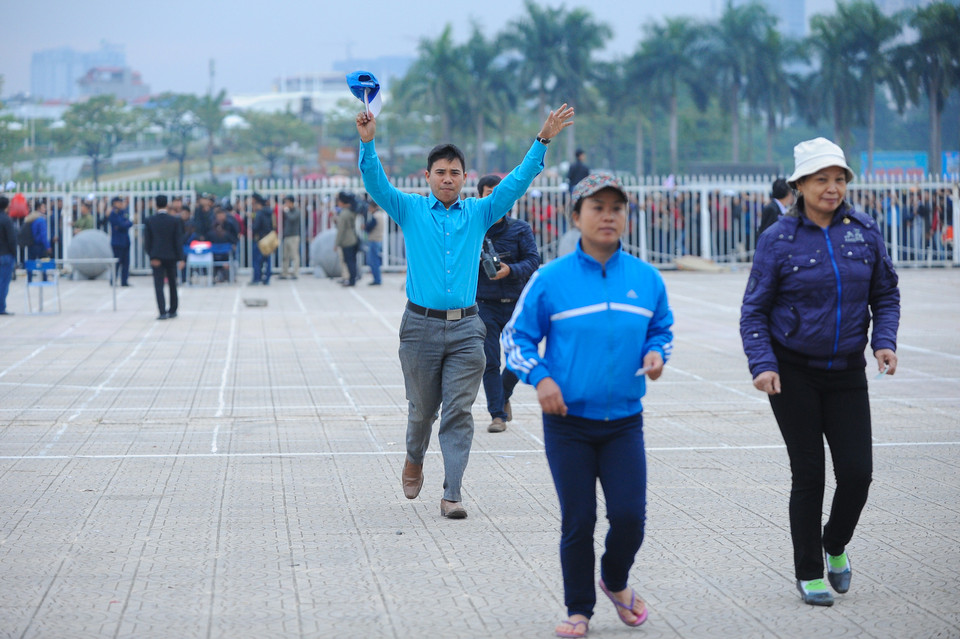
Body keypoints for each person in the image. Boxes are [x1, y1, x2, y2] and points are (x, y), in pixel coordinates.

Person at [357, 102, 574, 519]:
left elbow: (516, 183)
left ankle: (452, 492)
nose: (447, 178)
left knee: (458, 410)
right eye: (440, 172)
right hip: (418, 328)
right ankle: (413, 457)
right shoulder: (410, 209)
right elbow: (376, 184)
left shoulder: (479, 212)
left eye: (455, 172)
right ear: (428, 177)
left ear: (464, 179)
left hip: (467, 328)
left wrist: (542, 139)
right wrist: (367, 144)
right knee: (423, 410)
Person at [502, 173, 673, 638]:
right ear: (575, 217)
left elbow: (661, 328)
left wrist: (657, 353)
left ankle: (614, 581)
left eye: (616, 207)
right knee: (578, 520)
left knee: (630, 518)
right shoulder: (550, 279)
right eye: (596, 207)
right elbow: (515, 338)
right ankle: (579, 610)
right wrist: (540, 378)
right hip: (567, 424)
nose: (608, 216)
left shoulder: (646, 278)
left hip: (623, 423)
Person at [740, 137, 900, 607]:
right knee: (809, 474)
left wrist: (883, 341)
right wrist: (763, 364)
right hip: (793, 374)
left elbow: (885, 293)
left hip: (847, 369)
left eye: (839, 179)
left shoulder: (864, 230)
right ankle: (809, 570)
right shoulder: (778, 240)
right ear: (801, 185)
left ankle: (834, 542)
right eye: (821, 179)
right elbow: (754, 312)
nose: (832, 188)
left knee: (857, 474)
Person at [475, 174, 540, 433]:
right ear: (480, 197)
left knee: (520, 355)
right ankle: (497, 415)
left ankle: (503, 394)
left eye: (500, 193)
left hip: (516, 303)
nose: (496, 198)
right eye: (489, 193)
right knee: (490, 361)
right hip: (484, 304)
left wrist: (509, 270)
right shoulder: (473, 229)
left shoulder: (520, 229)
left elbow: (534, 261)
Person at [144, 194, 185, 320]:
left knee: (159, 284)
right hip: (171, 257)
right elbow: (178, 241)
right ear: (167, 204)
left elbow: (147, 241)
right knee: (173, 283)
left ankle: (162, 311)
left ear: (156, 205)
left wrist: (152, 256)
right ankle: (173, 310)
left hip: (157, 257)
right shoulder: (174, 220)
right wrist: (181, 258)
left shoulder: (150, 220)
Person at [335, 192, 361, 287]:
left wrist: (336, 243)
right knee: (352, 261)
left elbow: (341, 230)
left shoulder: (344, 213)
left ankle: (351, 280)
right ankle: (352, 278)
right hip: (353, 238)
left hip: (347, 240)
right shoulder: (351, 211)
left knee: (349, 261)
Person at [108, 196, 133, 286]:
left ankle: (124, 281)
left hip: (125, 241)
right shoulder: (113, 213)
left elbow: (129, 223)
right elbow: (120, 224)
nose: (121, 204)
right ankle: (113, 280)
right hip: (117, 242)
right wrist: (125, 224)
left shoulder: (123, 212)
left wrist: (125, 224)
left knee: (126, 262)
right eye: (119, 202)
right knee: (117, 263)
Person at [249, 193, 273, 286]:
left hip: (260, 239)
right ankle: (267, 278)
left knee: (257, 260)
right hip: (268, 239)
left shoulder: (259, 214)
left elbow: (255, 227)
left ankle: (257, 278)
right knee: (268, 260)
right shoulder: (269, 213)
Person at [0, 196, 16, 315]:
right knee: (3, 282)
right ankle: (1, 307)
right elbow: (11, 239)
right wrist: (14, 254)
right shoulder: (6, 220)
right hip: (5, 255)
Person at [279, 195, 301, 279]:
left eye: (287, 202)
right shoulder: (287, 211)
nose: (286, 204)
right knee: (285, 256)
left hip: (293, 237)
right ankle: (284, 273)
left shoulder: (296, 211)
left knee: (294, 256)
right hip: (287, 236)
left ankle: (295, 273)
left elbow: (292, 218)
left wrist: (286, 210)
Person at [364, 200, 385, 286]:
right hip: (378, 240)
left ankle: (377, 279)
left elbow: (368, 228)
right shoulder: (380, 215)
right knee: (375, 260)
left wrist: (365, 226)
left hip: (374, 240)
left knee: (373, 261)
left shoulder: (375, 216)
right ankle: (377, 279)